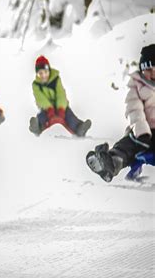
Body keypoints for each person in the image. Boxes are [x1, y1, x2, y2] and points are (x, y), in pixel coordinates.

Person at [87, 44, 155, 182]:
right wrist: (142, 132)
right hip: (142, 132)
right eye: (148, 69)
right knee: (129, 144)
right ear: (142, 70)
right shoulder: (137, 86)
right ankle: (110, 163)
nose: (152, 73)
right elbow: (134, 109)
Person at [29, 55, 91, 136]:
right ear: (37, 74)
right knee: (42, 116)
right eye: (40, 73)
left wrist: (61, 108)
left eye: (45, 72)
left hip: (60, 105)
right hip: (46, 107)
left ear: (49, 71)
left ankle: (79, 128)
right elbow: (40, 98)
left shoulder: (56, 79)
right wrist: (49, 108)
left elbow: (61, 94)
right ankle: (37, 127)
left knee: (69, 115)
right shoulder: (36, 85)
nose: (44, 75)